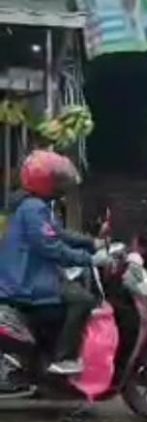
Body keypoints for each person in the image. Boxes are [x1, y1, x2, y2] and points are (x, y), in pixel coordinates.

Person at [0, 150, 110, 375]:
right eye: (57, 180)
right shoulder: (33, 209)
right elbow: (51, 247)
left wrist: (92, 243)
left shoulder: (35, 205)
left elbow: (58, 234)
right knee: (83, 299)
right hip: (26, 282)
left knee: (76, 287)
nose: (62, 185)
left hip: (28, 274)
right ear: (44, 181)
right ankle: (65, 358)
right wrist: (89, 259)